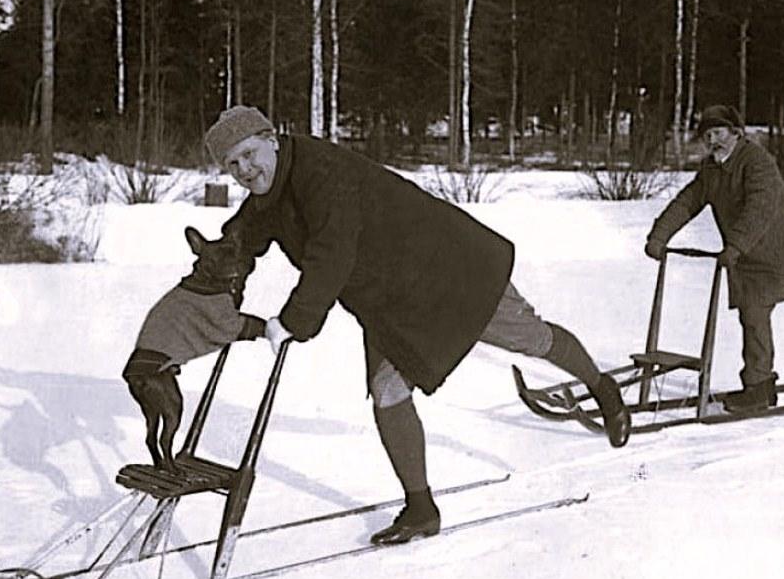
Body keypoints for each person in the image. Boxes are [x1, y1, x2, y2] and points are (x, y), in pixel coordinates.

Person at [204, 105, 631, 545]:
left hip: (450, 270)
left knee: (532, 338)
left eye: (249, 154)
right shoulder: (270, 193)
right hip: (391, 299)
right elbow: (241, 240)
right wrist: (210, 282)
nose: (244, 170)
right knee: (387, 391)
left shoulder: (321, 172)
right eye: (233, 164)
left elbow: (331, 256)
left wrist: (294, 321)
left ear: (271, 139)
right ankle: (421, 509)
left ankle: (602, 388)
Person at [643, 105, 784, 413]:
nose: (712, 141)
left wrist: (735, 245)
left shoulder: (757, 162)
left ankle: (759, 387)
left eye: (718, 133)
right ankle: (760, 383)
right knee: (751, 316)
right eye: (707, 136)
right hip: (743, 252)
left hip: (772, 252)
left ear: (736, 133)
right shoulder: (712, 169)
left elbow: (759, 208)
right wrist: (659, 236)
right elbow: (687, 202)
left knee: (754, 315)